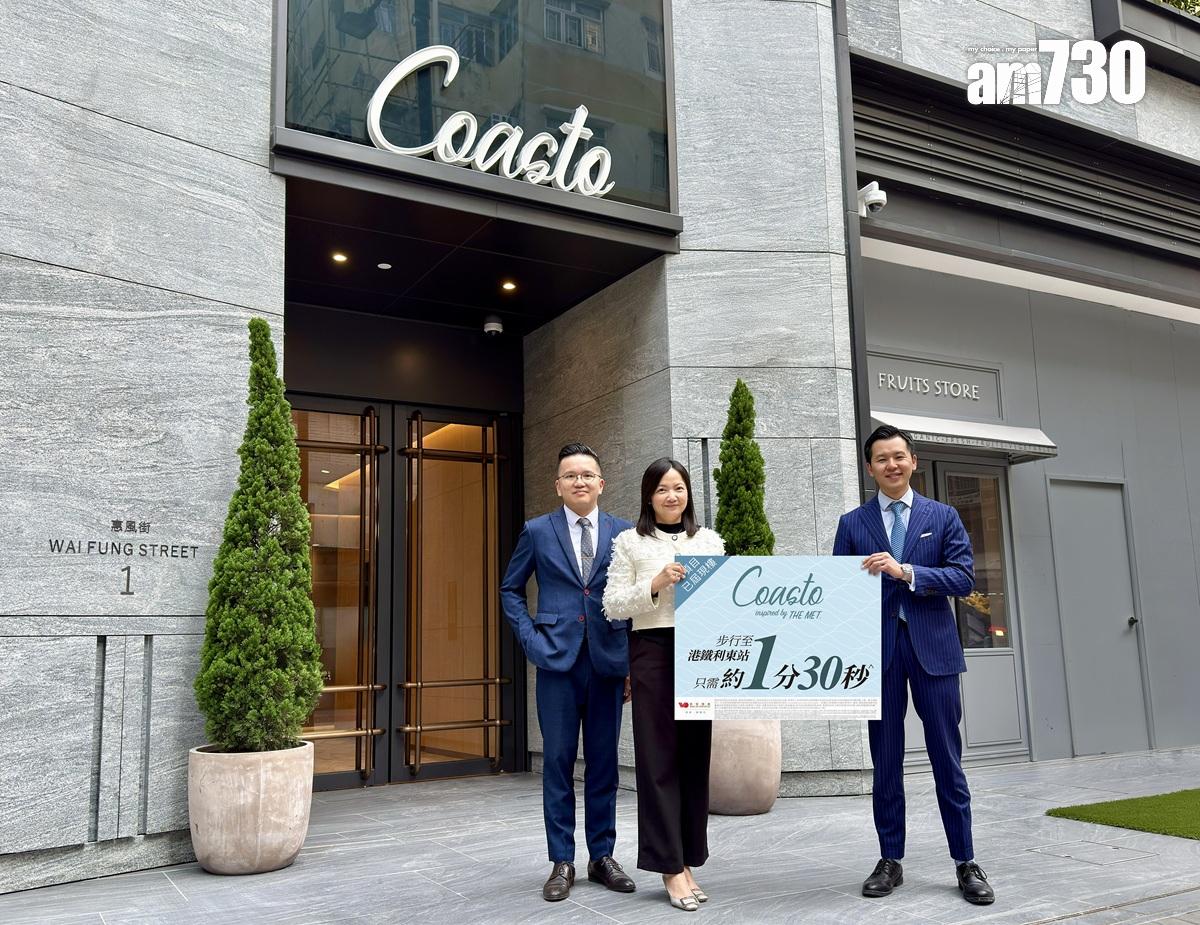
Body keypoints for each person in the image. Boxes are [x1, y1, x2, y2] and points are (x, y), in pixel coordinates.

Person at [833, 425, 995, 906]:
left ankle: (965, 861)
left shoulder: (942, 516)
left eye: (899, 456)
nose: (892, 465)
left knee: (947, 758)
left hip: (934, 652)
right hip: (879, 654)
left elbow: (963, 578)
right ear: (869, 468)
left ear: (913, 461)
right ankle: (890, 859)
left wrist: (905, 571)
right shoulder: (852, 523)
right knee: (885, 761)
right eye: (882, 459)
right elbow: (839, 591)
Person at [499, 443, 637, 902]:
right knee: (557, 762)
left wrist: (631, 662)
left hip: (607, 662)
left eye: (587, 475)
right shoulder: (537, 531)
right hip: (556, 662)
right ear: (558, 485)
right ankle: (562, 860)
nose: (580, 481)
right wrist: (532, 640)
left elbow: (636, 598)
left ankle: (602, 856)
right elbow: (510, 590)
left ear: (601, 483)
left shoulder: (624, 533)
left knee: (604, 764)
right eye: (571, 475)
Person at [602, 458, 725, 913]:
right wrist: (654, 584)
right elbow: (613, 604)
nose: (671, 496)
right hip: (652, 649)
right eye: (661, 489)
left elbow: (726, 601)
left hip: (700, 651)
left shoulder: (708, 540)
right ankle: (669, 867)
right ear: (648, 497)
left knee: (694, 757)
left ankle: (687, 860)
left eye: (678, 488)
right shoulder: (629, 542)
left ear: (688, 493)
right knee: (658, 760)